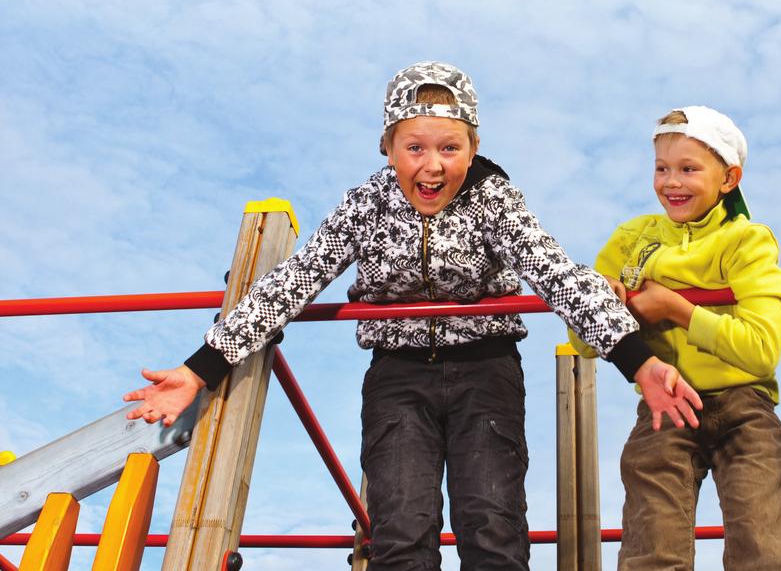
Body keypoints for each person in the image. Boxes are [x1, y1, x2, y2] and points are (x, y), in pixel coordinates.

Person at [124, 62, 702, 571]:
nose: (432, 166)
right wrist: (198, 369)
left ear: (472, 149)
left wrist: (638, 360)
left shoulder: (494, 200)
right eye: (415, 148)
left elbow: (558, 275)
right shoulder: (367, 205)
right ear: (388, 148)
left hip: (485, 371)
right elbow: (290, 284)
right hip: (399, 376)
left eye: (450, 148)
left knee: (493, 527)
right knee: (401, 530)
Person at [573, 106, 781, 570]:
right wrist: (609, 306)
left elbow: (759, 351)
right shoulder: (632, 239)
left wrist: (675, 308)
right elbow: (582, 341)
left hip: (744, 405)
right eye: (661, 168)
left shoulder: (746, 241)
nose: (671, 182)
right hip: (665, 404)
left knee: (764, 540)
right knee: (653, 539)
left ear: (728, 178)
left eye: (688, 169)